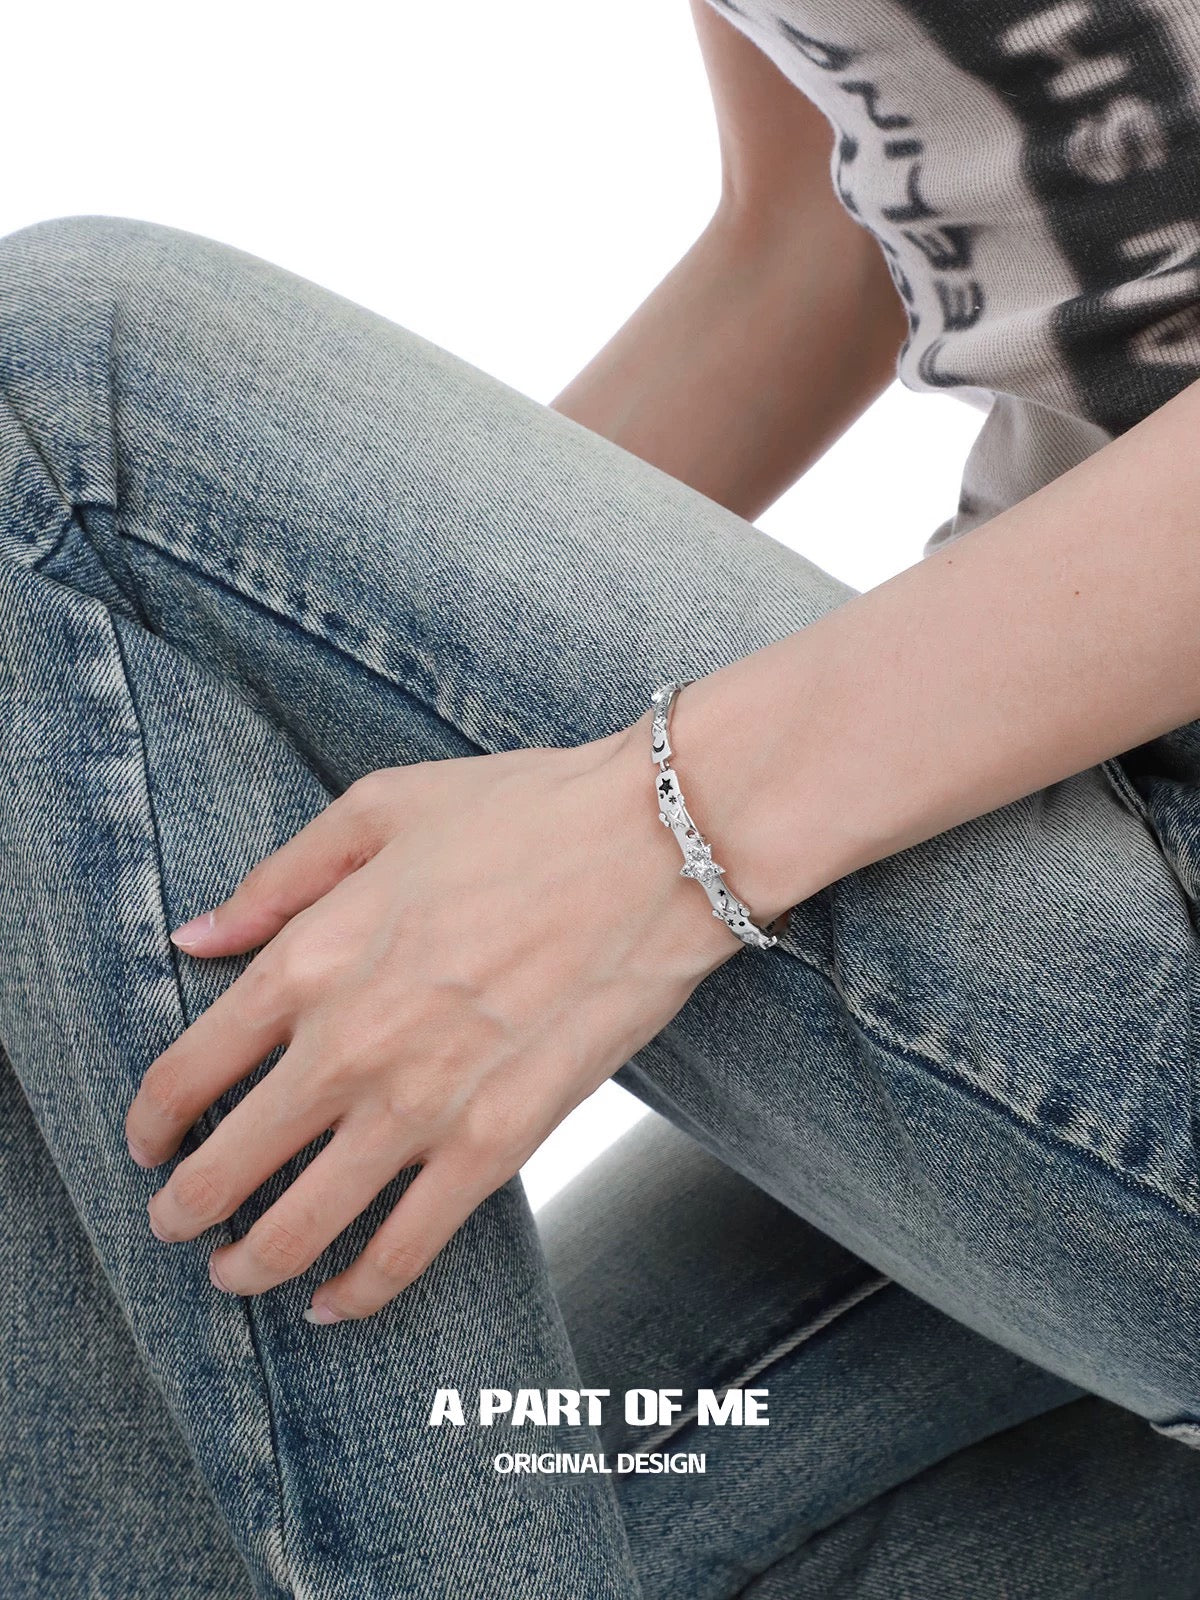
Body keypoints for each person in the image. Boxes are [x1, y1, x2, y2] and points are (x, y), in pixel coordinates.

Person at [4, 0, 1200, 1593]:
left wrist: (655, 830)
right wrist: (286, 701)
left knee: (67, 411)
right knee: (403, 1497)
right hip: (1052, 819)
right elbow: (810, 238)